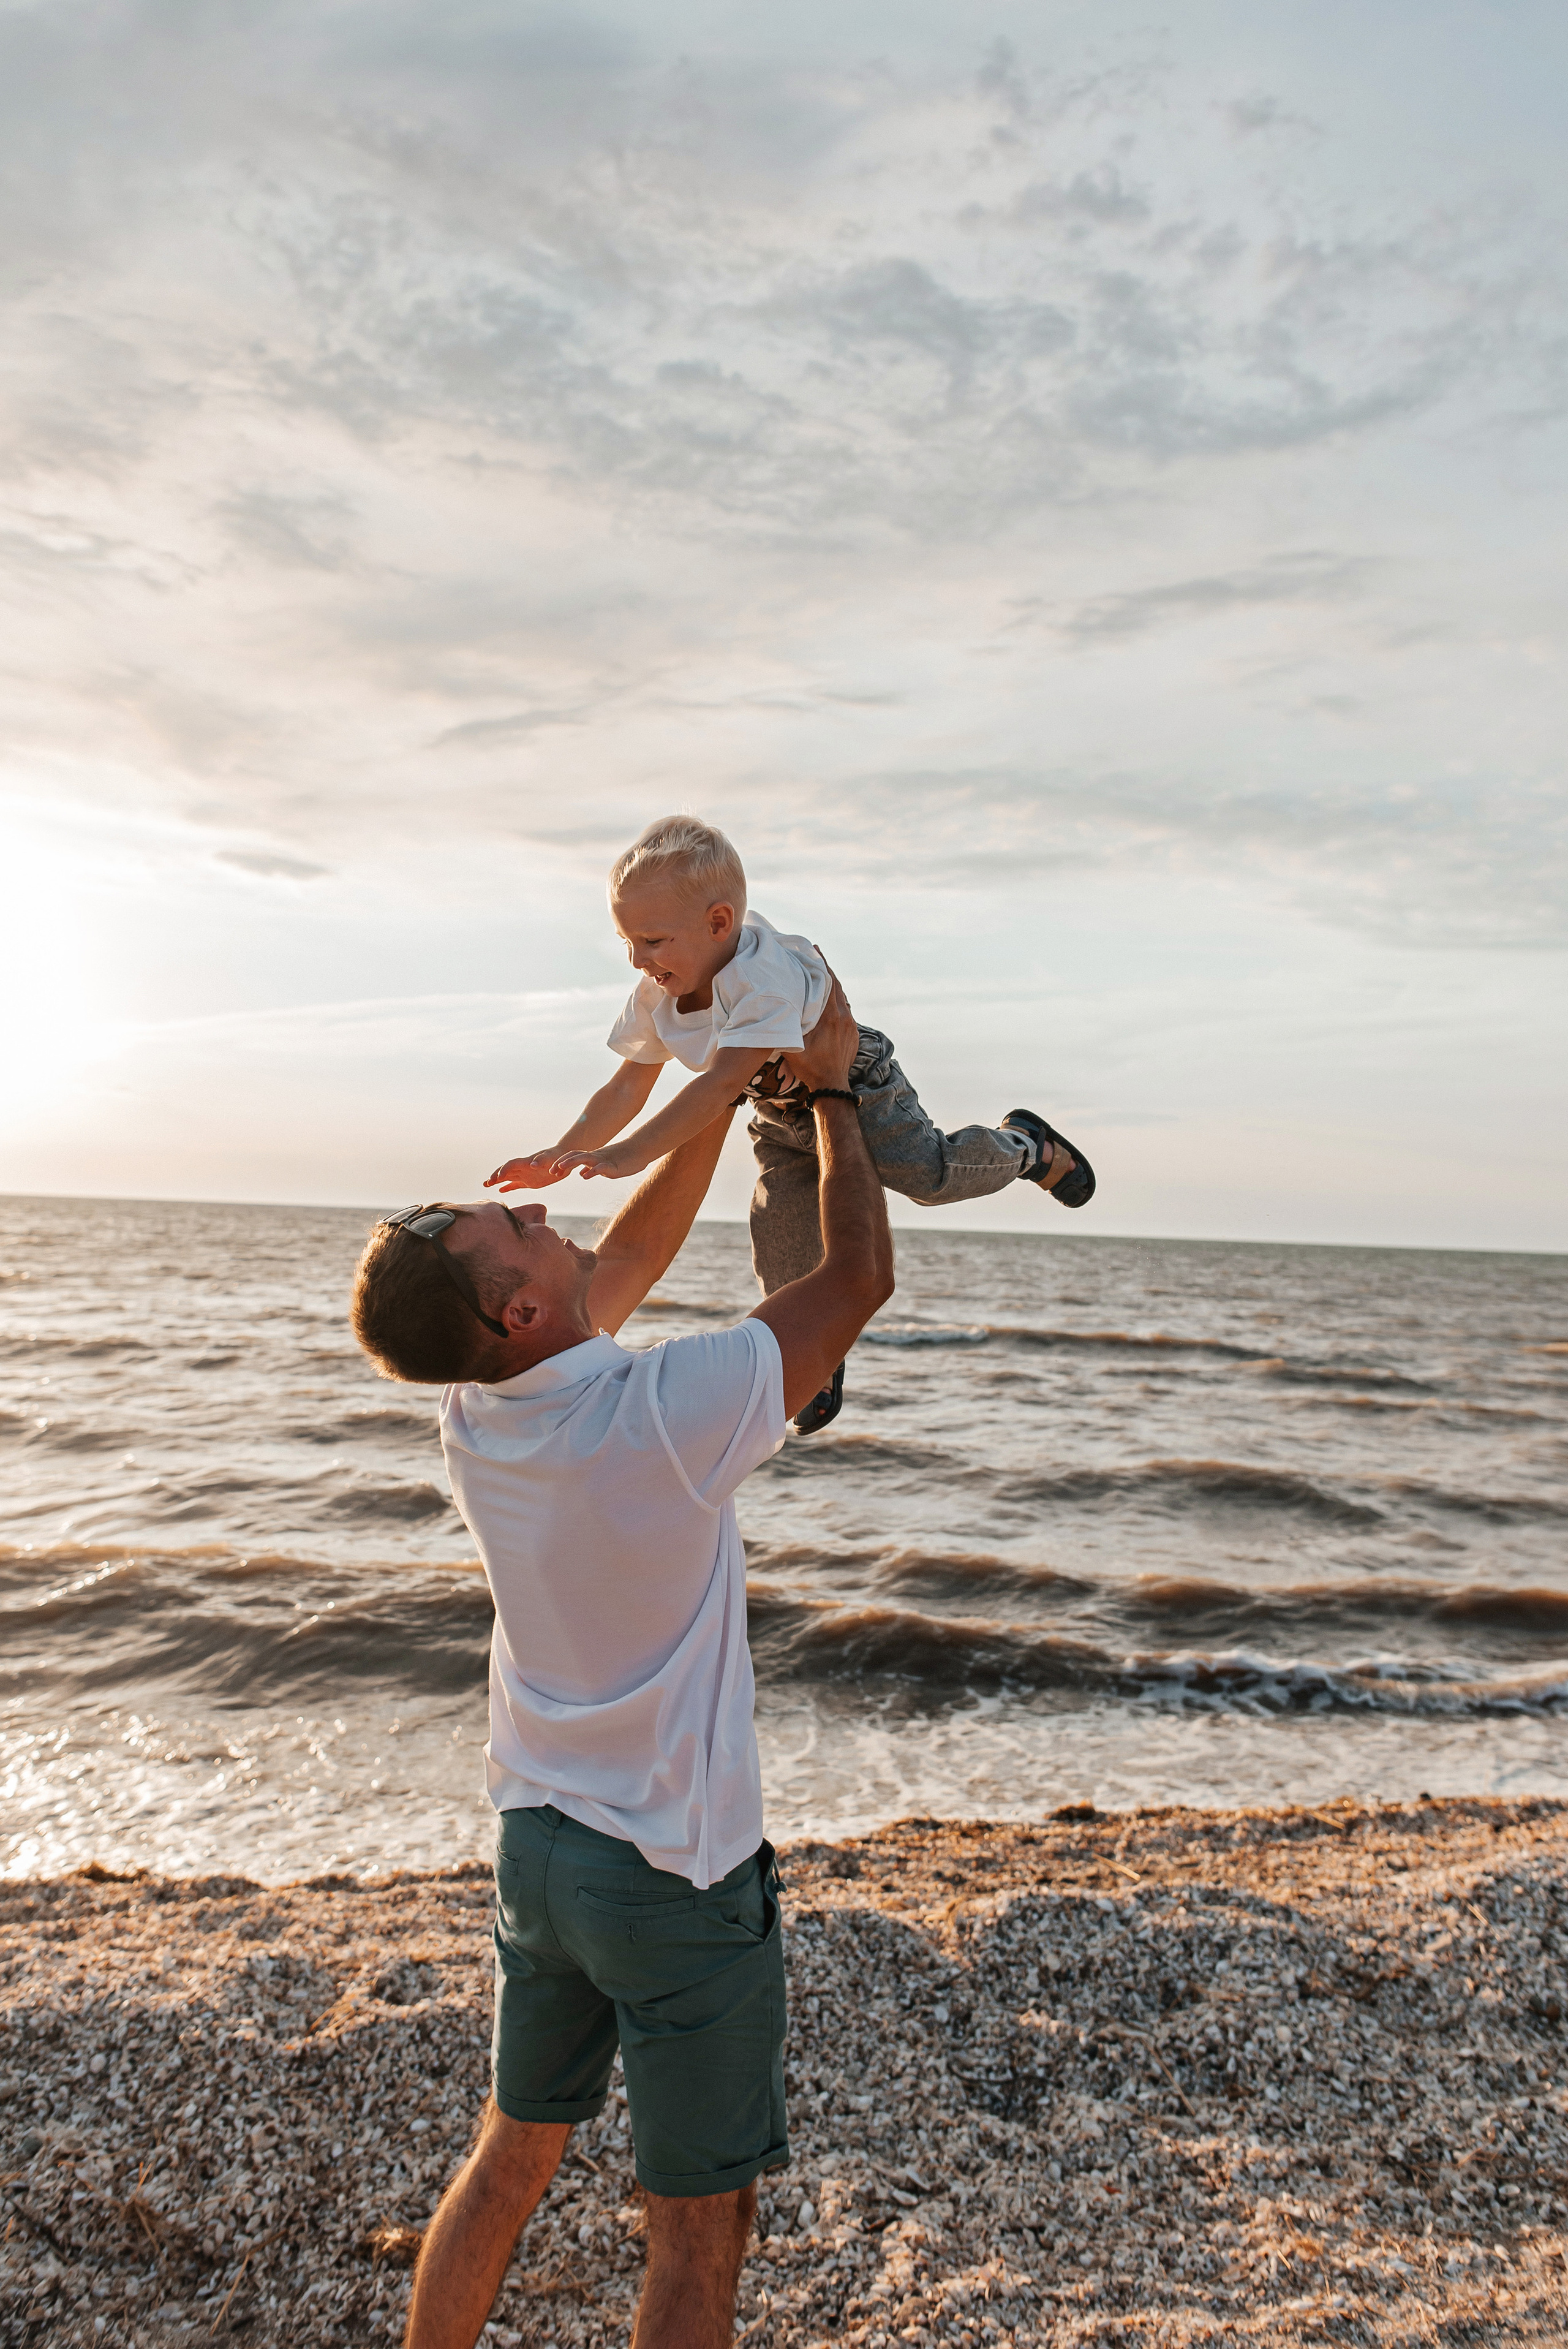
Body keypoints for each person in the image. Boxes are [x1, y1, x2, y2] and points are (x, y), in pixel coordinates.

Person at [349, 976, 894, 2349]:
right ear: (517, 1312)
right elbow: (855, 1283)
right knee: (699, 2226)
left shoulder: (477, 1411)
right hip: (668, 1872)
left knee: (509, 2159)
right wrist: (831, 1090)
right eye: (520, 1231)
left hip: (540, 1851)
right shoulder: (660, 1412)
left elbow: (627, 1255)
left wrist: (719, 1080)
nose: (545, 1215)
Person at [484, 813, 1094, 1433]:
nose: (639, 960)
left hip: (853, 1082)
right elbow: (625, 1086)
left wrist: (626, 1156)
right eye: (628, 943)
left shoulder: (761, 979)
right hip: (776, 1110)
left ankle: (1026, 1147)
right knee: (780, 1240)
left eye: (653, 940)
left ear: (718, 923)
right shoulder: (657, 993)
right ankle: (812, 1359)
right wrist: (561, 1152)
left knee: (928, 1175)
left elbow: (721, 1083)